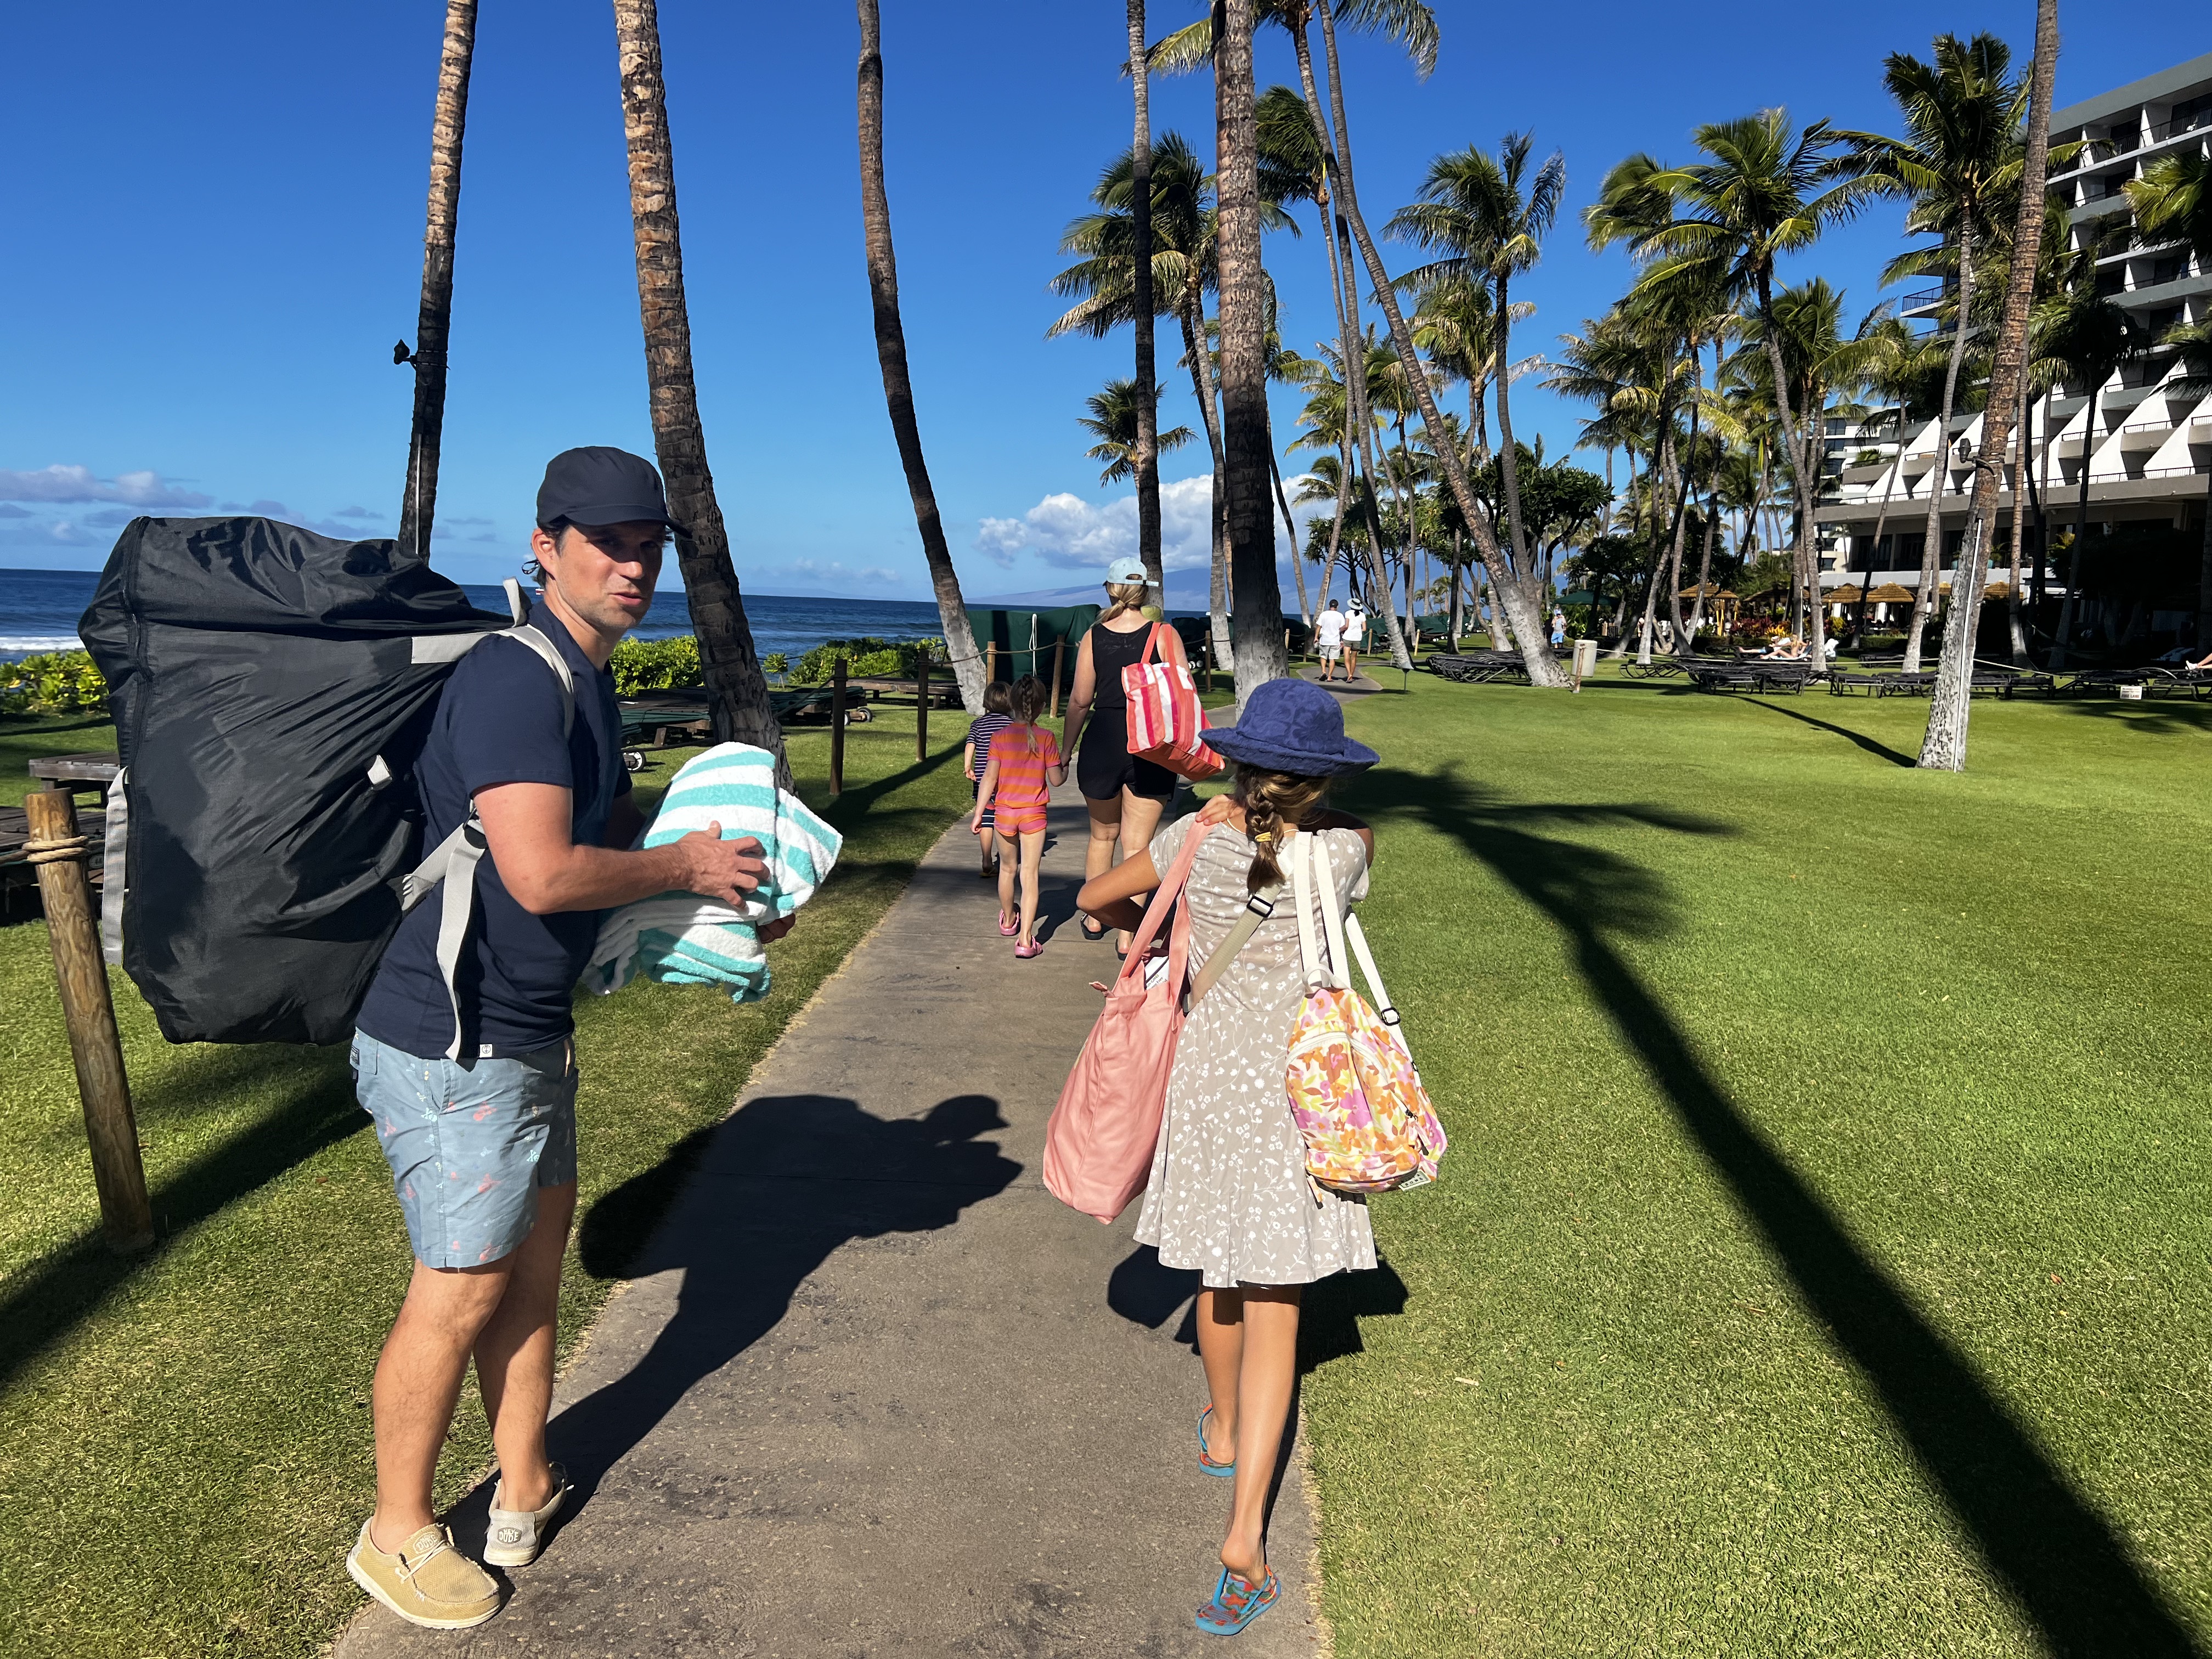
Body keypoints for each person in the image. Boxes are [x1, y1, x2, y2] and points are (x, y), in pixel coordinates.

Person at [345, 448, 783, 1630]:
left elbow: (601, 869)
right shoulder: (515, 678)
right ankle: (394, 1531)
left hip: (528, 1033)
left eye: (651, 545)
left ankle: (523, 1480)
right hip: (455, 1043)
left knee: (533, 1271)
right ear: (547, 547)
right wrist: (685, 861)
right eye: (608, 541)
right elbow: (541, 874)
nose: (635, 564)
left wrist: (715, 891)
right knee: (463, 1288)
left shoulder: (587, 682)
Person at [1076, 676, 1380, 1639]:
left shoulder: (1192, 839)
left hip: (1205, 1086)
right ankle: (1243, 1536)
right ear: (1320, 780)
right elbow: (1356, 828)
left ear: (1244, 766)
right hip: (1294, 1093)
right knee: (1277, 1310)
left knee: (1218, 1269)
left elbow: (1092, 899)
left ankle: (1216, 1420)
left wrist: (1162, 932)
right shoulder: (1339, 853)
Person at [1062, 555, 1188, 953]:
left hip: (1102, 741)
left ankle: (1097, 916)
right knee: (1138, 847)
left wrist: (1066, 751)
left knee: (1102, 837)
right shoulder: (1165, 635)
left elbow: (1081, 701)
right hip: (1150, 745)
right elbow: (1184, 693)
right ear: (1144, 591)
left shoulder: (1093, 637)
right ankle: (1128, 936)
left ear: (1111, 590)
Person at [970, 673, 1065, 958]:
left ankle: (1010, 920)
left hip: (1004, 814)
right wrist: (1067, 764)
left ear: (1011, 704)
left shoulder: (999, 738)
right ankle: (1026, 941)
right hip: (1034, 815)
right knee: (1030, 874)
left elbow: (988, 778)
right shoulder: (1046, 738)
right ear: (1040, 706)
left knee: (1008, 870)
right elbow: (1057, 780)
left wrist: (978, 814)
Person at [964, 680, 1014, 879]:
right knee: (1004, 816)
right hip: (1006, 778)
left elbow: (970, 744)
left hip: (983, 778)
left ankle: (986, 859)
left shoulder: (978, 724)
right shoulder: (1012, 725)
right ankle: (1008, 859)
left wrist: (968, 766)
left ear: (986, 702)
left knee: (985, 819)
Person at [1311, 596, 1346, 682]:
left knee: (1323, 657)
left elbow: (1319, 626)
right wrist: (1342, 640)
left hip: (1325, 640)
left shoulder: (1324, 614)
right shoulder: (1340, 616)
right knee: (1332, 659)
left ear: (1329, 606)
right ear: (1337, 607)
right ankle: (1330, 676)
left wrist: (1316, 637)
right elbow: (1343, 628)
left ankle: (1323, 672)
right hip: (1335, 641)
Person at [1341, 601, 1366, 682]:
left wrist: (1341, 630)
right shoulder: (1362, 615)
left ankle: (1349, 675)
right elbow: (1365, 629)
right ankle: (1351, 675)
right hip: (1357, 638)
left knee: (1347, 657)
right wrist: (1358, 630)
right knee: (1354, 658)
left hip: (1348, 637)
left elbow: (1347, 626)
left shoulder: (1348, 613)